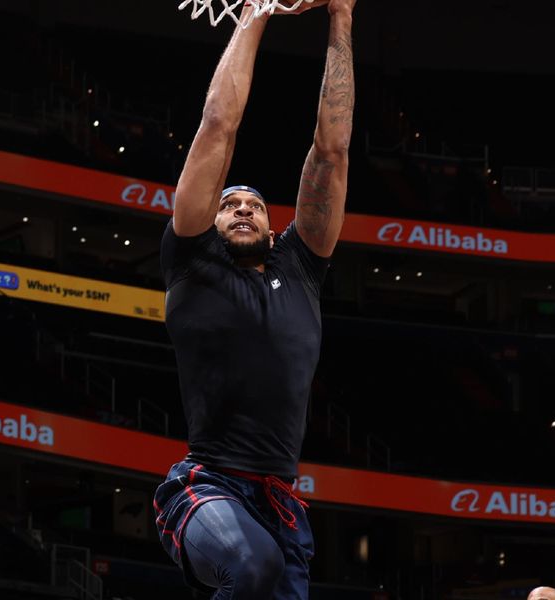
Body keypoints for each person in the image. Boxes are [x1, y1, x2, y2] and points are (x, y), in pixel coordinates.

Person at [153, 0, 356, 598]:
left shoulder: (300, 266)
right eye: (228, 202)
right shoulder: (191, 260)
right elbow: (219, 124)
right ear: (208, 221)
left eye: (255, 204)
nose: (241, 206)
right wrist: (258, 11)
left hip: (281, 501)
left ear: (273, 229)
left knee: (265, 565)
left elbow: (332, 152)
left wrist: (341, 16)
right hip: (206, 484)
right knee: (251, 565)